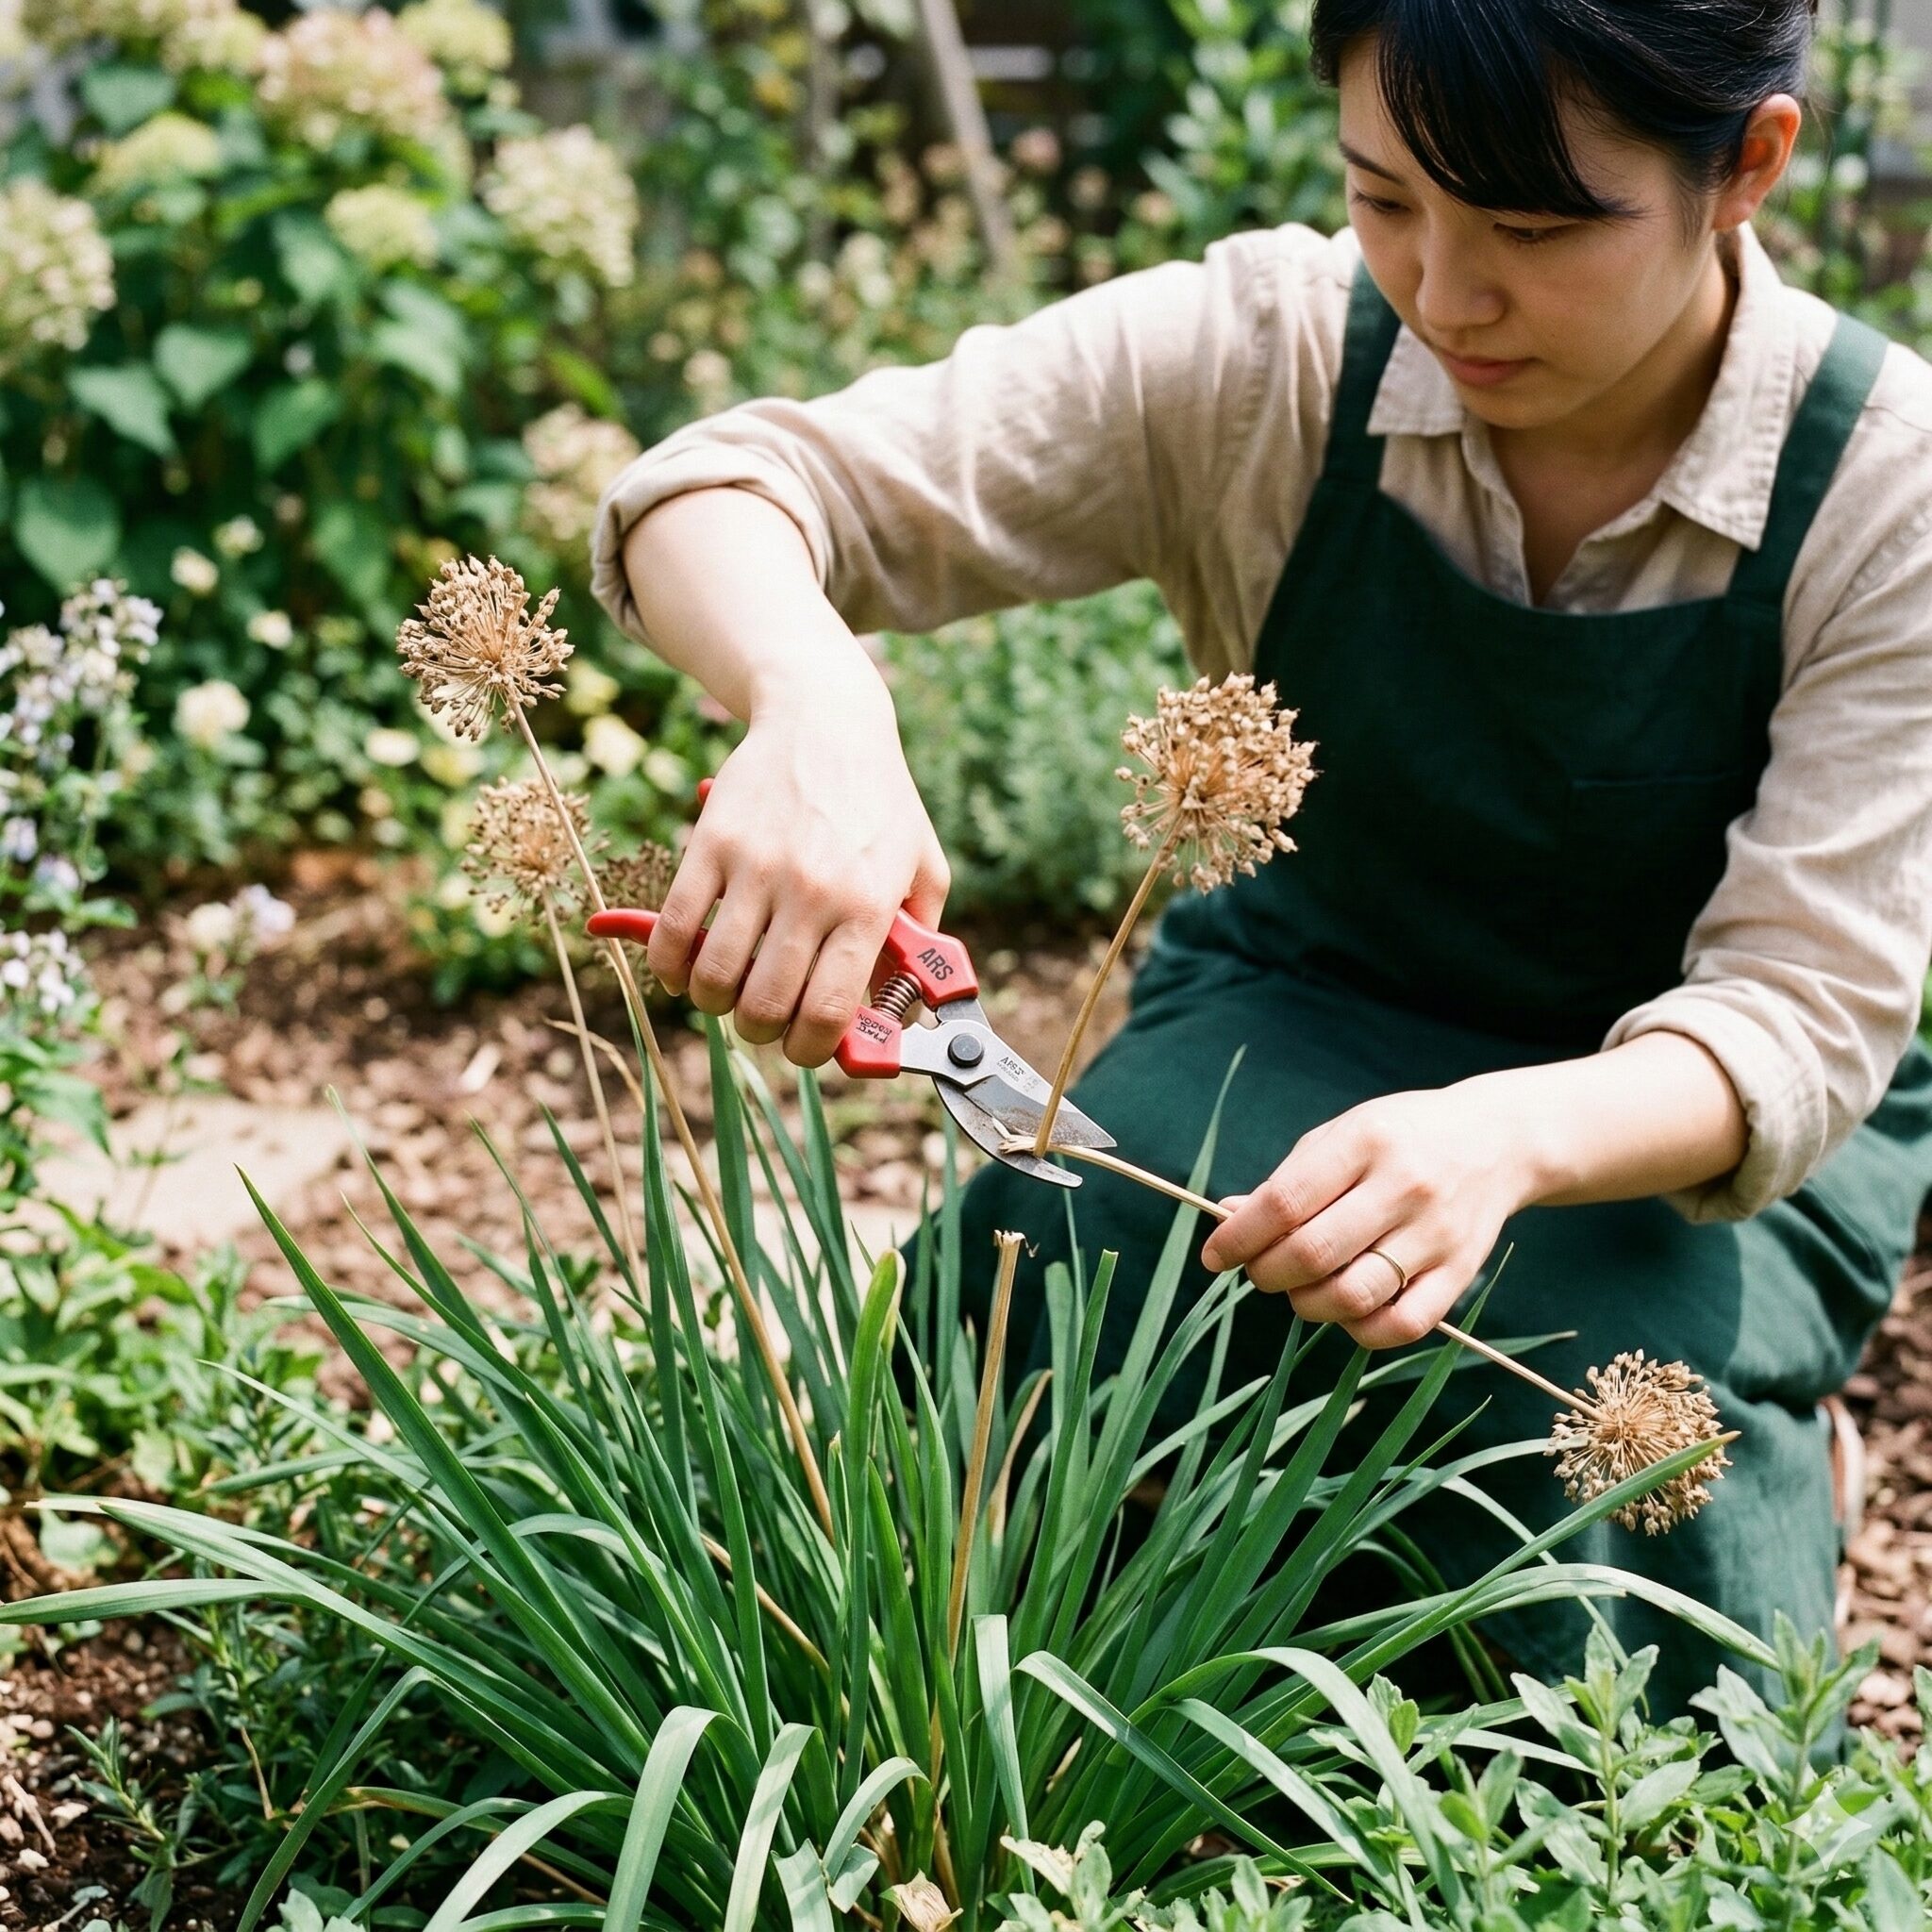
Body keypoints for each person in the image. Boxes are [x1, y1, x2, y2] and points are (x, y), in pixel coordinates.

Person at [590, 0, 1932, 1714]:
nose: (1445, 295)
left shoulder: (1883, 484)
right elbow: (723, 487)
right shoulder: (1277, 352)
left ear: (1746, 163)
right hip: (1310, 999)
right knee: (1049, 1251)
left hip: (1676, 1128)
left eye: (1532, 227)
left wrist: (1509, 1134)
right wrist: (812, 693)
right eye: (1387, 199)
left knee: (1603, 1425)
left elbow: (1804, 1014)